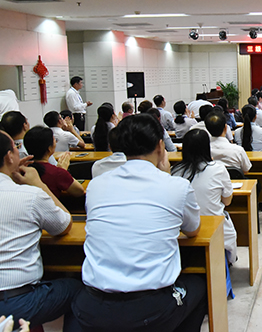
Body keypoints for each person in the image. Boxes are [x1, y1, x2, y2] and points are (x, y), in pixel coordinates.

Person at [71, 114, 207, 332]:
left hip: (92, 305)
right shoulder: (177, 186)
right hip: (150, 309)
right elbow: (193, 230)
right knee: (200, 284)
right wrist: (166, 175)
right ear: (160, 146)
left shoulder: (96, 185)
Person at [0, 130, 82, 332]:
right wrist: (38, 184)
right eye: (15, 148)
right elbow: (64, 224)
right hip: (18, 300)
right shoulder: (30, 195)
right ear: (9, 156)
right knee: (80, 289)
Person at [172, 129, 238, 264]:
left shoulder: (175, 171)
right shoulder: (218, 168)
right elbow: (227, 201)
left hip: (181, 230)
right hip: (214, 227)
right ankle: (227, 260)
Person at [23, 126, 85, 199]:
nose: (56, 142)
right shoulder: (57, 173)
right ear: (49, 148)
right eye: (55, 140)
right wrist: (63, 171)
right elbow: (79, 192)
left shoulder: (21, 171)